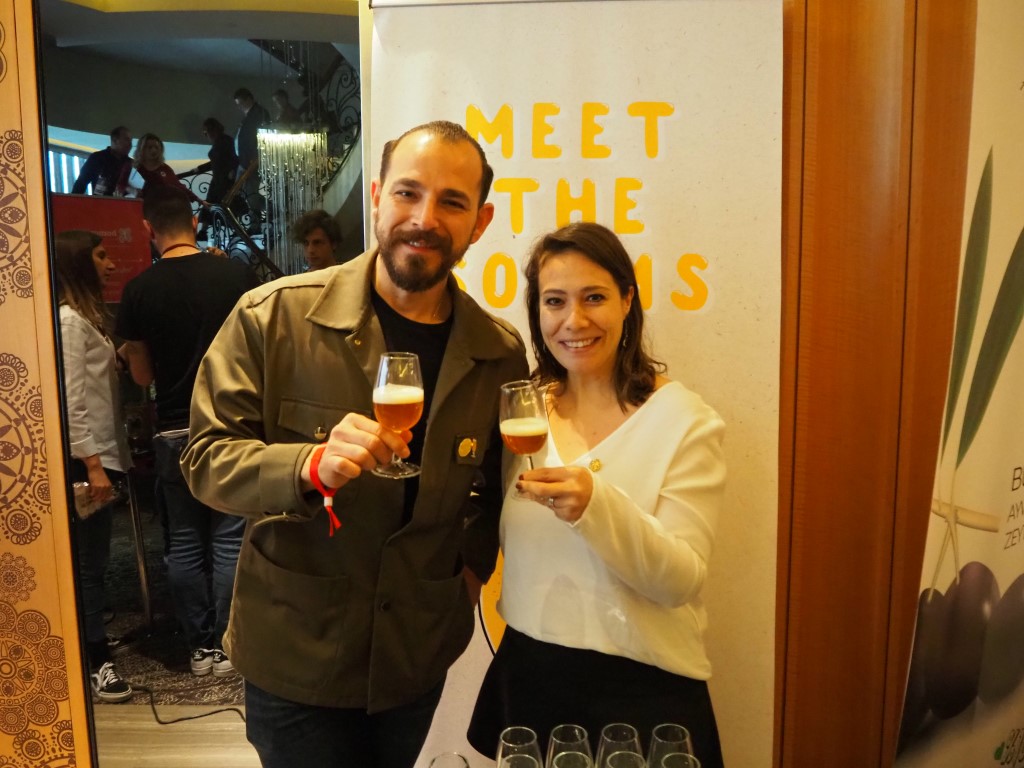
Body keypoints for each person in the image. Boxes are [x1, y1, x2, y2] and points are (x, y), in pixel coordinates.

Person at [180, 120, 528, 768]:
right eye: (407, 193)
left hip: (415, 652)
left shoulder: (498, 353)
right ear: (376, 196)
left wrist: (468, 576)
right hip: (296, 651)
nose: (424, 218)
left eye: (452, 202)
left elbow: (494, 487)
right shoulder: (272, 317)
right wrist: (308, 465)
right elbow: (205, 461)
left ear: (480, 223)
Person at [467, 222, 727, 768]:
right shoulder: (523, 412)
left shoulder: (684, 421)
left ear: (628, 300)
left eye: (594, 298)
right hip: (531, 675)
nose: (574, 321)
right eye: (554, 301)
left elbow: (680, 580)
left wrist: (596, 505)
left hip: (643, 686)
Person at [115, 185, 260, 677]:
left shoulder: (138, 291)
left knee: (184, 541)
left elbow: (142, 376)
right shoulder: (235, 276)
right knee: (230, 540)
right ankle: (229, 643)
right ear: (195, 223)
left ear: (147, 229)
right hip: (233, 426)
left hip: (175, 429)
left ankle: (200, 649)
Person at [54, 230, 134, 703]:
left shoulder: (86, 320)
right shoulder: (68, 322)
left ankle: (91, 643)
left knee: (95, 562)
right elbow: (70, 404)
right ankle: (94, 660)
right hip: (88, 460)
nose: (110, 263)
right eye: (100, 256)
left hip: (102, 454)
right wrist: (92, 464)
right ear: (79, 263)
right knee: (88, 565)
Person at [116, 132, 202, 204]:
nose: (154, 150)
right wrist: (132, 190)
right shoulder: (132, 166)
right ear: (142, 149)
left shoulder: (165, 168)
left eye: (156, 147)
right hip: (136, 207)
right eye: (149, 147)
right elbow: (120, 185)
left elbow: (178, 186)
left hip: (159, 210)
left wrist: (198, 200)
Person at [233, 87, 270, 223]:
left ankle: (256, 222)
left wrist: (252, 160)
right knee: (245, 193)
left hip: (251, 162)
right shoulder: (253, 114)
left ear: (249, 99)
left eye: (241, 103)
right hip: (246, 161)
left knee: (249, 193)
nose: (239, 107)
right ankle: (268, 212)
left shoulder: (258, 114)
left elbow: (256, 139)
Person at [71, 126, 132, 196]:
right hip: (100, 201)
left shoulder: (131, 164)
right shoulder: (97, 158)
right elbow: (81, 183)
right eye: (127, 139)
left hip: (124, 202)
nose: (130, 144)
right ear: (115, 140)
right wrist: (72, 201)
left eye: (131, 140)